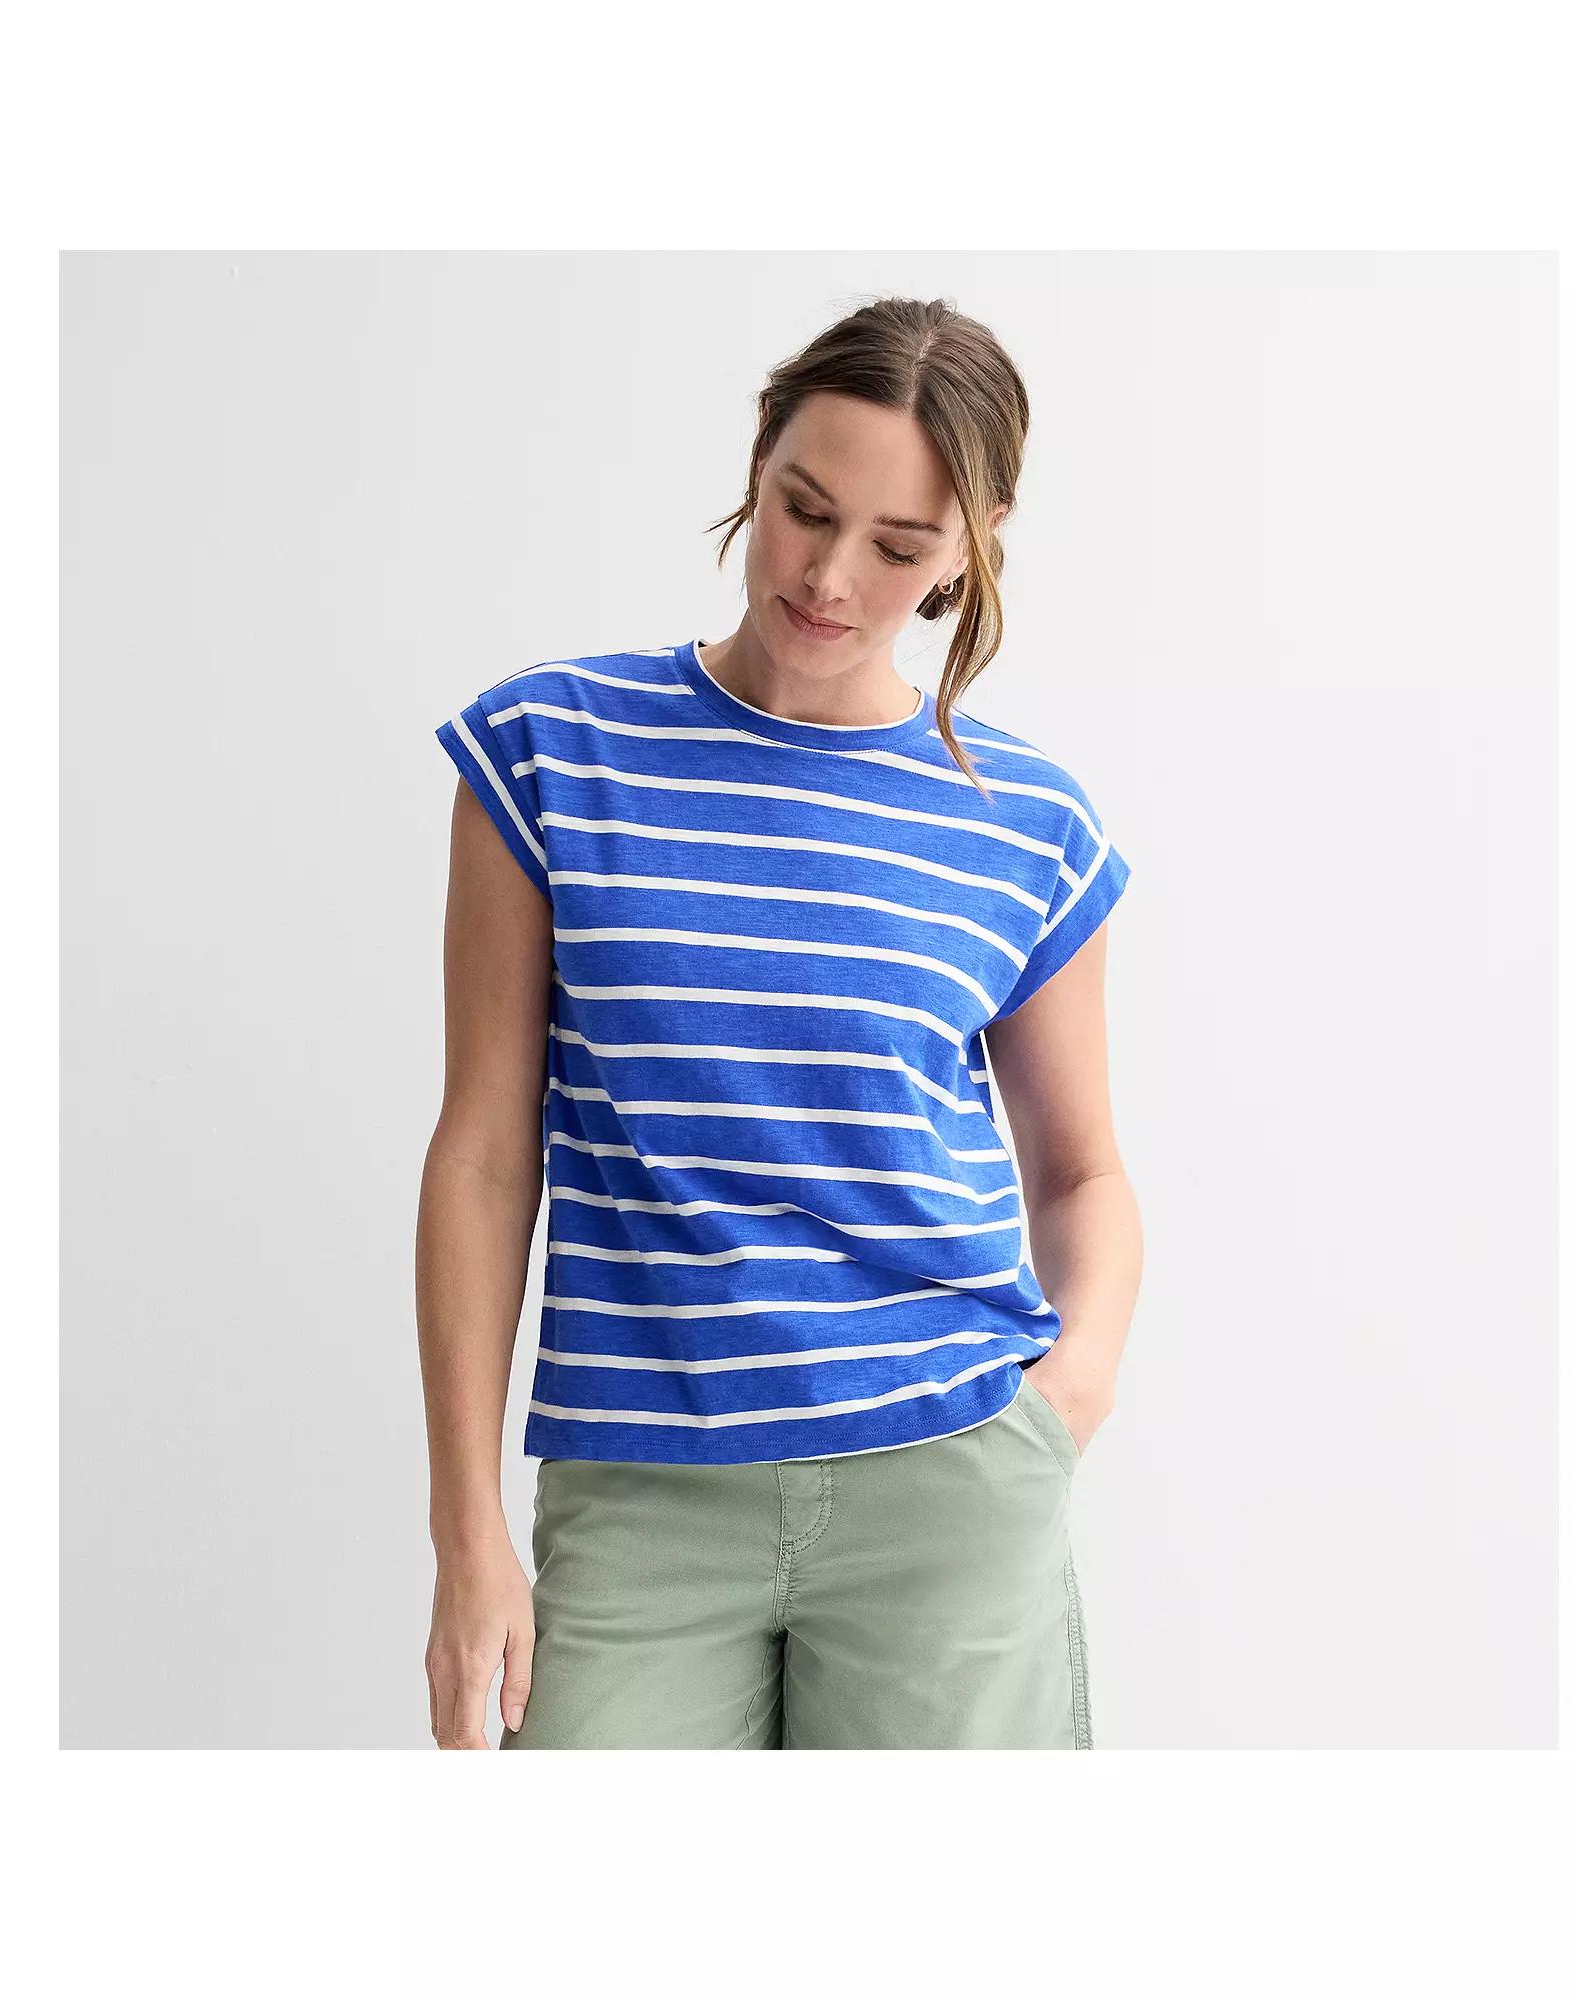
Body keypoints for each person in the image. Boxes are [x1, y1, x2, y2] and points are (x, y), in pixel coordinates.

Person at [416, 296, 1143, 1749]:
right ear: (759, 454)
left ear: (974, 545)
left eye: (899, 546)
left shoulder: (1026, 824)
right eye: (805, 509)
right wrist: (465, 1529)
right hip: (642, 1497)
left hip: (949, 1481)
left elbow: (1083, 1173)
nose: (828, 576)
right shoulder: (552, 751)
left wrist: (1068, 1396)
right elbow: (486, 1152)